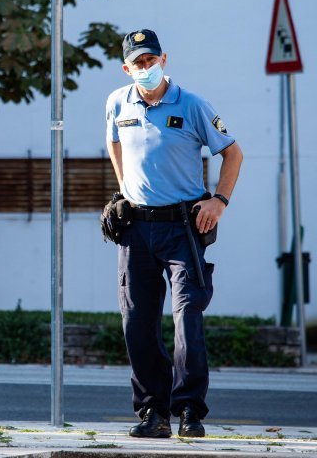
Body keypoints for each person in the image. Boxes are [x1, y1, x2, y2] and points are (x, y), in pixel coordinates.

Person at [104, 29, 243, 438]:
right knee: (137, 321)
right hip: (137, 228)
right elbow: (114, 144)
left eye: (151, 60)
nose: (145, 69)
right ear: (125, 68)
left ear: (164, 59)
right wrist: (124, 190)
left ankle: (188, 410)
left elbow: (232, 152)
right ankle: (152, 411)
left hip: (183, 226)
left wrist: (219, 200)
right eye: (137, 63)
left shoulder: (192, 104)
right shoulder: (116, 102)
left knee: (187, 318)